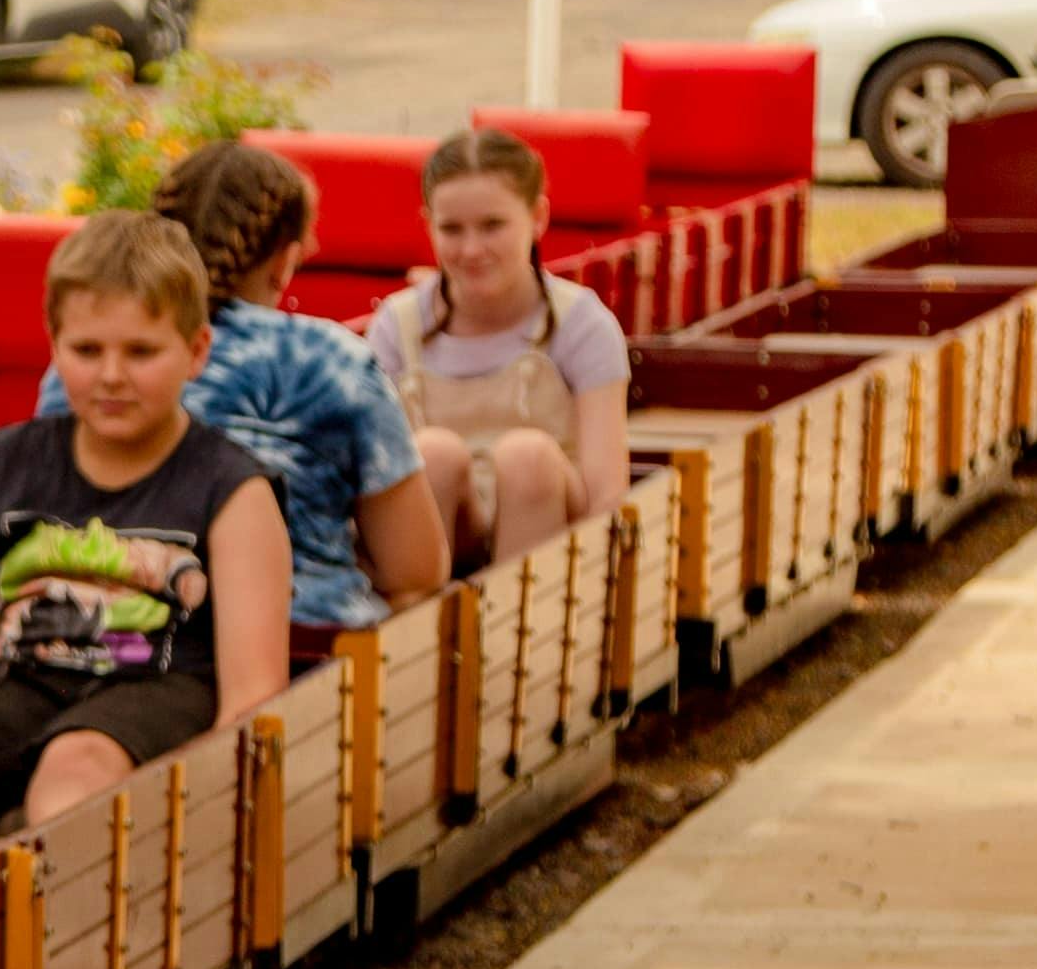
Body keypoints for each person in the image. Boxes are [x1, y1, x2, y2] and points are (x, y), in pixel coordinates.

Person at [0, 209, 287, 912]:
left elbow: (253, 690)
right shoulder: (6, 463)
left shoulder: (231, 487)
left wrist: (215, 819)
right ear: (54, 346)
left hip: (157, 688)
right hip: (24, 677)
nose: (112, 376)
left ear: (196, 350)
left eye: (141, 352)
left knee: (75, 769)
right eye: (87, 350)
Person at [61, 136, 446, 646]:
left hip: (108, 624)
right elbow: (416, 569)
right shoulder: (330, 358)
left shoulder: (88, 358)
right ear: (284, 261)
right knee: (418, 603)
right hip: (294, 637)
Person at [359, 127, 632, 563]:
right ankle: (418, 623)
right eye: (452, 229)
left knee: (527, 456)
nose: (472, 249)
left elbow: (605, 493)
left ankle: (523, 624)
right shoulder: (397, 326)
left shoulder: (580, 324)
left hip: (552, 542)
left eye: (492, 226)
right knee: (433, 453)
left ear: (538, 218)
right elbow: (372, 478)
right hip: (436, 537)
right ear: (428, 225)